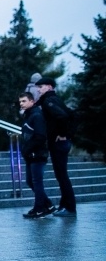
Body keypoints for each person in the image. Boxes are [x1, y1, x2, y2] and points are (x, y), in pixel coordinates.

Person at [35, 77, 77, 217]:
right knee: (61, 175)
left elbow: (63, 116)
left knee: (62, 175)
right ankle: (64, 205)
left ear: (48, 87)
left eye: (40, 87)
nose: (38, 90)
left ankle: (70, 208)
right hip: (60, 142)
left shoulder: (49, 101)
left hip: (58, 143)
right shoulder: (52, 99)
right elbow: (70, 114)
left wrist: (63, 134)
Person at [18, 92, 54, 219]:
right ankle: (48, 205)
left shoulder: (37, 115)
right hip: (31, 155)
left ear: (32, 101)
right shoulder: (29, 115)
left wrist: (27, 149)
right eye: (20, 102)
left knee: (36, 182)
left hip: (37, 154)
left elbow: (40, 136)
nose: (21, 104)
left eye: (24, 101)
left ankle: (39, 209)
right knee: (30, 181)